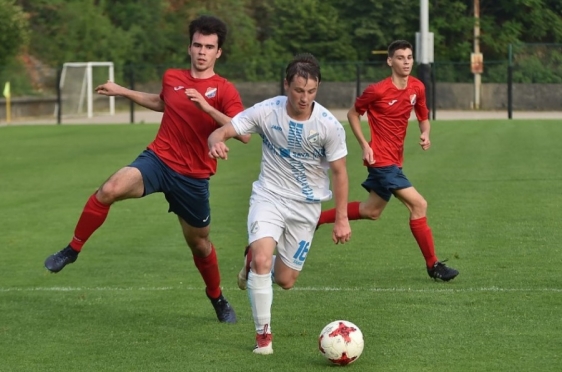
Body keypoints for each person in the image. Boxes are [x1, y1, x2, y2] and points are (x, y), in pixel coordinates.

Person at [44, 15, 250, 323]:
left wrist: (206, 108)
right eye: (197, 45)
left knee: (200, 243)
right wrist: (123, 90)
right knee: (109, 189)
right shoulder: (172, 77)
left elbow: (244, 132)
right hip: (158, 160)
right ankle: (72, 250)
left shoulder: (224, 90)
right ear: (189, 46)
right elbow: (161, 102)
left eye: (209, 47)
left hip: (193, 177)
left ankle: (216, 297)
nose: (202, 52)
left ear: (218, 52)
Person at [207, 53, 351, 354]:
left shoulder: (328, 125)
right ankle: (263, 337)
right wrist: (216, 141)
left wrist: (341, 218)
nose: (304, 98)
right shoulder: (266, 111)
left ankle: (253, 261)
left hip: (306, 207)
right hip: (269, 196)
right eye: (299, 90)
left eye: (311, 91)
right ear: (287, 84)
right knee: (263, 260)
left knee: (285, 280)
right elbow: (224, 129)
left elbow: (339, 172)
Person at [317, 40, 459, 281]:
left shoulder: (417, 87)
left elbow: (423, 117)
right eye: (401, 57)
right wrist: (365, 145)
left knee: (371, 211)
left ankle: (315, 219)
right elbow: (353, 113)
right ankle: (433, 265)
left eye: (409, 57)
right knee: (419, 205)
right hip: (381, 160)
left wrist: (425, 133)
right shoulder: (377, 90)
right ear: (390, 61)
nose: (406, 62)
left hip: (395, 160)